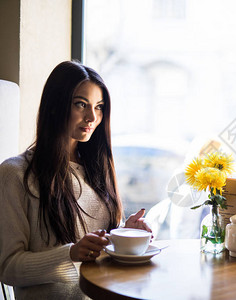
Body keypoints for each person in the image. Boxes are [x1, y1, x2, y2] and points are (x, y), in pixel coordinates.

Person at [0, 61, 152, 299]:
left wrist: (123, 235)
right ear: (54, 106)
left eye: (99, 107)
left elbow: (97, 250)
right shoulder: (15, 174)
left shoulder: (97, 170)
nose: (92, 116)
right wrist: (70, 253)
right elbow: (7, 267)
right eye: (81, 104)